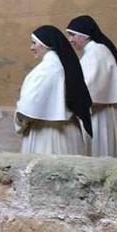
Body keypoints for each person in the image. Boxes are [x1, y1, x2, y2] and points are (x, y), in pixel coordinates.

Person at [15, 25, 92, 155]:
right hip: (69, 133)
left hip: (47, 136)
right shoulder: (63, 65)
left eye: (34, 43)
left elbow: (28, 110)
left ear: (45, 45)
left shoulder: (46, 70)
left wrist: (19, 120)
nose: (31, 47)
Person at [66, 15, 117, 158]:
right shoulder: (93, 52)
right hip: (97, 112)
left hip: (100, 114)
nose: (70, 39)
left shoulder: (97, 52)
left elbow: (89, 87)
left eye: (72, 35)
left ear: (85, 35)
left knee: (101, 150)